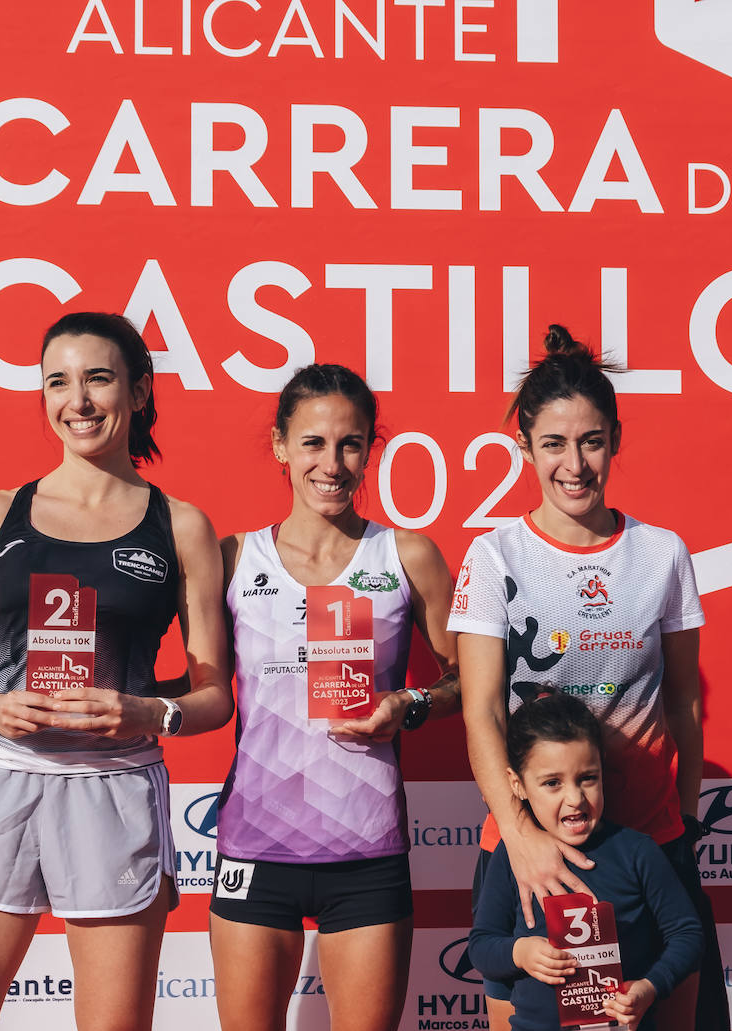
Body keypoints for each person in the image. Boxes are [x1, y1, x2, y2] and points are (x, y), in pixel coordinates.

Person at [0, 312, 234, 1031]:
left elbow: (215, 695)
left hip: (113, 790)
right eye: (58, 381)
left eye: (98, 378)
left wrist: (150, 712)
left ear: (140, 390)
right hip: (3, 784)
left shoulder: (180, 525)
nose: (77, 400)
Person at [451, 325, 728, 1031]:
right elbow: (480, 710)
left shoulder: (661, 553)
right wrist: (520, 833)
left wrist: (683, 822)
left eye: (592, 441)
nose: (574, 464)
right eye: (553, 443)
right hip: (529, 851)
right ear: (524, 445)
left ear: (615, 438)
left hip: (649, 844)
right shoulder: (494, 555)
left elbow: (682, 699)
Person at [209, 363, 460, 1031]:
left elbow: (471, 680)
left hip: (367, 852)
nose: (332, 462)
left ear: (371, 447)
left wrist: (409, 704)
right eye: (314, 442)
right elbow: (197, 682)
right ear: (280, 445)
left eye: (351, 443)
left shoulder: (406, 553)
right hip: (254, 848)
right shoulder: (233, 557)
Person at [469, 692, 702, 1031]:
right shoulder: (510, 856)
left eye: (587, 778)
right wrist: (520, 953)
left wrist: (649, 988)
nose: (575, 799)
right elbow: (481, 946)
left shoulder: (638, 851)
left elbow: (688, 934)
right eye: (552, 783)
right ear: (517, 785)